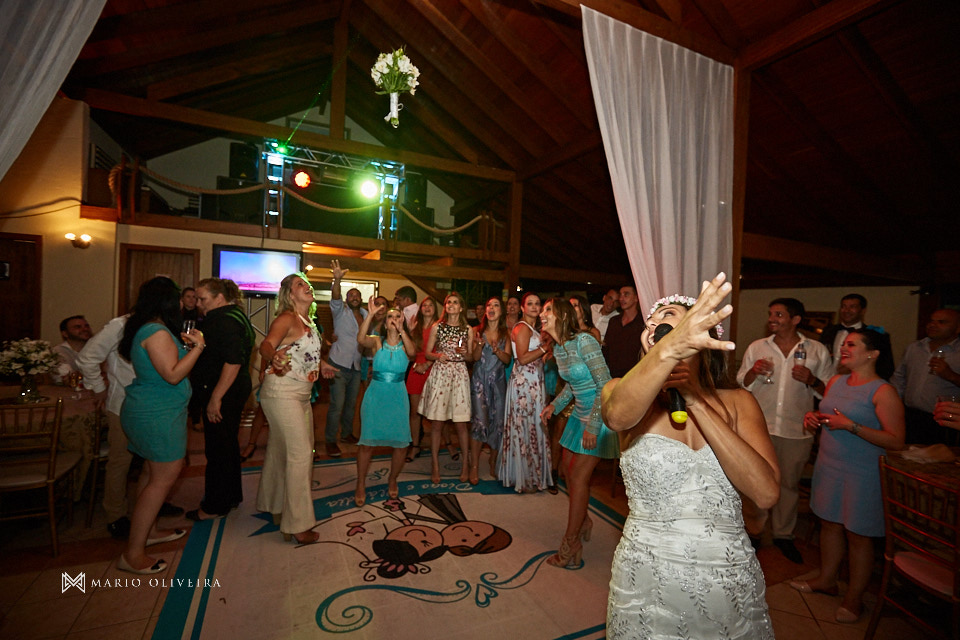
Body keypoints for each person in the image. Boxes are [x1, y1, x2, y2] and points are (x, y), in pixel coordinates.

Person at [601, 273, 779, 639]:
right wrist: (667, 353)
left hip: (728, 575)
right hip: (647, 575)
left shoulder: (739, 402)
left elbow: (765, 495)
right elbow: (617, 416)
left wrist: (694, 397)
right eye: (649, 323)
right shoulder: (618, 390)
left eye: (667, 315)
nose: (653, 323)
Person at [792, 328, 904, 624]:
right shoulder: (836, 381)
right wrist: (813, 418)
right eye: (844, 343)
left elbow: (896, 440)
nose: (843, 348)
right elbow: (828, 416)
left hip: (862, 471)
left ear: (873, 353)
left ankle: (854, 598)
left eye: (852, 344)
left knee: (858, 535)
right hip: (830, 465)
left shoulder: (883, 391)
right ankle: (827, 579)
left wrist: (851, 426)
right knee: (829, 523)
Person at [117, 277, 206, 574]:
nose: (183, 303)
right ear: (168, 301)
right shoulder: (156, 332)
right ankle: (132, 554)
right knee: (161, 481)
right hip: (159, 414)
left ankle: (149, 532)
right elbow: (172, 374)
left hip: (151, 409)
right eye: (179, 298)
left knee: (149, 474)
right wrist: (198, 348)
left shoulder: (148, 328)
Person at [736, 298, 833, 563]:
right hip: (759, 427)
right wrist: (754, 372)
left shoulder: (816, 351)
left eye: (779, 314)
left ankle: (783, 536)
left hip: (797, 428)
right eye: (771, 314)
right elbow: (741, 384)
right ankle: (754, 533)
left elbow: (829, 392)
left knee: (789, 485)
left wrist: (812, 380)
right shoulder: (758, 347)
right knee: (757, 481)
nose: (772, 318)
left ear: (796, 320)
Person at [539, 298, 618, 568]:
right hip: (578, 415)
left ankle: (571, 543)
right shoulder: (560, 348)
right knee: (566, 472)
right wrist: (554, 405)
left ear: (561, 316)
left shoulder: (585, 341)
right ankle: (584, 520)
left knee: (579, 477)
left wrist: (594, 426)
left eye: (547, 310)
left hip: (598, 416)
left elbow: (605, 385)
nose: (542, 314)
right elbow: (572, 387)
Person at [256, 272, 332, 544]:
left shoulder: (309, 321)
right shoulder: (287, 318)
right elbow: (265, 345)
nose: (307, 287)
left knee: (279, 451)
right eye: (300, 284)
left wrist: (321, 364)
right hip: (281, 392)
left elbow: (305, 353)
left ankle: (275, 506)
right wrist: (273, 356)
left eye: (308, 284)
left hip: (301, 394)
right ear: (290, 294)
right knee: (301, 455)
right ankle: (297, 524)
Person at [186, 278, 255, 521]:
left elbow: (233, 360)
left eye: (203, 299)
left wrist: (215, 398)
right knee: (227, 446)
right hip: (233, 389)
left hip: (225, 391)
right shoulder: (235, 315)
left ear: (219, 298)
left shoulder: (223, 320)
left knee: (217, 449)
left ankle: (214, 505)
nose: (199, 304)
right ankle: (229, 497)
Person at [355, 299, 416, 505]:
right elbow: (361, 339)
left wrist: (403, 331)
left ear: (403, 320)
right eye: (390, 316)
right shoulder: (377, 341)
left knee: (400, 444)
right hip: (375, 396)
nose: (393, 319)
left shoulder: (407, 341)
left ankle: (392, 479)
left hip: (398, 396)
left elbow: (412, 353)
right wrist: (371, 315)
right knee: (366, 444)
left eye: (397, 316)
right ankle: (361, 483)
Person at [418, 292, 475, 484]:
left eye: (455, 302)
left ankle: (466, 465)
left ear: (461, 308)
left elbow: (470, 358)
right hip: (441, 373)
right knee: (437, 423)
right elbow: (427, 353)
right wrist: (437, 356)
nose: (451, 305)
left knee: (461, 424)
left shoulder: (467, 329)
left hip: (459, 373)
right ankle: (435, 465)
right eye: (448, 302)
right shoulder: (437, 326)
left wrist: (466, 352)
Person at [499, 292, 553, 493]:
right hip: (523, 385)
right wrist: (545, 348)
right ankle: (523, 477)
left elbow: (536, 357)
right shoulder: (521, 327)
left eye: (537, 304)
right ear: (523, 308)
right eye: (529, 303)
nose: (534, 307)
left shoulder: (534, 328)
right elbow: (521, 358)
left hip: (534, 382)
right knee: (524, 426)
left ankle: (532, 474)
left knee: (534, 425)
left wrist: (545, 354)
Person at [891, 308, 960, 444]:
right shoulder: (914, 347)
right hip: (910, 416)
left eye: (941, 322)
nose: (932, 325)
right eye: (931, 321)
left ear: (958, 328)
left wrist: (950, 375)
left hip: (943, 421)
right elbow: (899, 378)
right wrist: (893, 406)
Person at [324, 260, 367, 457]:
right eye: (351, 295)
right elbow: (335, 296)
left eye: (357, 295)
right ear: (346, 299)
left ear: (361, 299)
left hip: (356, 367)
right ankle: (330, 440)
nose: (354, 297)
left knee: (351, 405)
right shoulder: (340, 311)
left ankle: (347, 434)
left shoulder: (367, 315)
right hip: (338, 365)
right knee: (337, 405)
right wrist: (337, 279)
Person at [469, 297, 511, 483]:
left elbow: (508, 360)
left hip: (499, 384)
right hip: (479, 382)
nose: (491, 308)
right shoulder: (477, 331)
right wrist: (478, 346)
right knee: (479, 422)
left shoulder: (506, 334)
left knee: (498, 423)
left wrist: (497, 351)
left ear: (501, 311)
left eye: (496, 305)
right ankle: (475, 466)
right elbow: (474, 358)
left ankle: (494, 462)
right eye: (489, 305)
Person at [405, 296, 438, 462]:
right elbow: (409, 352)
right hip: (415, 370)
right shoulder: (415, 327)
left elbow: (442, 351)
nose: (427, 308)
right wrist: (410, 331)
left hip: (434, 370)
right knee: (415, 412)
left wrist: (426, 365)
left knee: (435, 414)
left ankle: (439, 446)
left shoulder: (439, 326)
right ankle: (415, 446)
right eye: (424, 305)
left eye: (431, 305)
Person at [601, 285, 643, 379]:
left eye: (626, 294)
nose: (621, 298)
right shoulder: (614, 321)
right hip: (611, 376)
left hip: (633, 377)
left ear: (636, 298)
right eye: (620, 295)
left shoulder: (643, 322)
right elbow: (606, 348)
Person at [819, 294, 868, 373]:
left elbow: (884, 369)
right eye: (843, 306)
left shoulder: (872, 335)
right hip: (827, 381)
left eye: (852, 307)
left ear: (862, 311)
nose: (847, 310)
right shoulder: (828, 331)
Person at [52, 315, 93, 384]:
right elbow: (68, 377)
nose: (85, 329)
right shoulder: (58, 352)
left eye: (86, 326)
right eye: (78, 327)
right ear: (65, 334)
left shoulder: (96, 350)